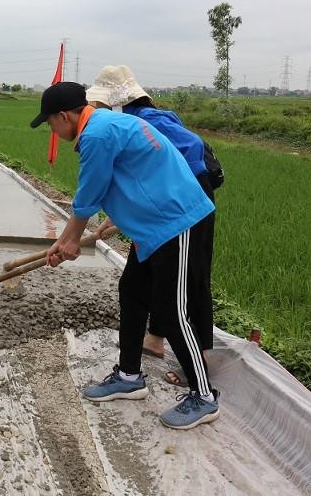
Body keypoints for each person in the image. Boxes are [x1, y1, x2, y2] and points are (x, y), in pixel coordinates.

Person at [32, 81, 220, 429]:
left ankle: (205, 396)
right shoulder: (108, 125)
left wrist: (69, 240)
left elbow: (89, 191)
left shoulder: (97, 134)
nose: (52, 132)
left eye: (50, 125)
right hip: (155, 225)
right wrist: (115, 220)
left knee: (170, 310)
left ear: (63, 116)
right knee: (132, 291)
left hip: (176, 223)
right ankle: (131, 374)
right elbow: (138, 175)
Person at [84, 66, 217, 387]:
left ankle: (199, 371)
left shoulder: (139, 123)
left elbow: (169, 170)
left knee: (189, 282)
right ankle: (153, 342)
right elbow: (141, 176)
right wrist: (120, 216)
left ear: (114, 102)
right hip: (167, 203)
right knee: (139, 280)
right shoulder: (151, 116)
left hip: (184, 203)